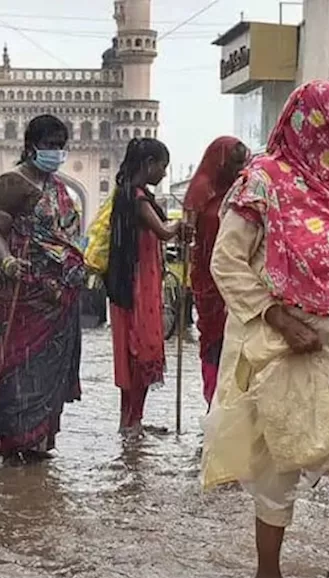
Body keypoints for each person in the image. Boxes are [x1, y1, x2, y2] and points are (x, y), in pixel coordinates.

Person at [201, 80, 329, 578]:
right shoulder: (262, 181)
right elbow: (226, 262)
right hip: (287, 343)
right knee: (280, 461)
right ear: (313, 124)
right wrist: (279, 320)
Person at [0, 114, 86, 463]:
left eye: (61, 146)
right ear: (30, 146)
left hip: (56, 297)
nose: (56, 152)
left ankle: (38, 441)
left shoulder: (61, 189)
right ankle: (11, 443)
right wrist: (8, 262)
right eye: (50, 146)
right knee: (16, 366)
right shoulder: (11, 184)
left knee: (47, 369)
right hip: (19, 295)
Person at [108, 138, 177, 438]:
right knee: (142, 352)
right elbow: (163, 232)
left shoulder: (127, 194)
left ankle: (131, 420)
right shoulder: (137, 198)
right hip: (139, 286)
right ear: (149, 164)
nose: (163, 173)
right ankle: (132, 421)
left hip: (134, 283)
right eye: (162, 166)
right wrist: (187, 220)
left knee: (135, 353)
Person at [185, 136, 250, 407]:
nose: (237, 170)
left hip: (240, 279)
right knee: (214, 341)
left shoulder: (243, 191)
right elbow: (190, 235)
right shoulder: (202, 190)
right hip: (209, 283)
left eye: (241, 163)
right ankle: (214, 402)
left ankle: (234, 405)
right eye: (233, 163)